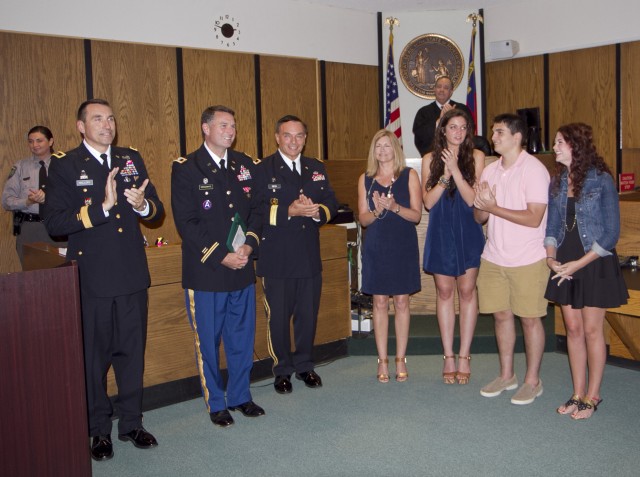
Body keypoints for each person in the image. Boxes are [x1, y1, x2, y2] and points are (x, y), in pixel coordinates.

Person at [43, 99, 164, 461]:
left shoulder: (131, 158)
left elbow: (155, 211)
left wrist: (143, 205)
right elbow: (55, 224)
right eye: (97, 119)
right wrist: (103, 208)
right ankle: (98, 430)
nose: (106, 124)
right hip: (93, 278)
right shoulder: (64, 165)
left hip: (131, 275)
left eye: (110, 118)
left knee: (131, 356)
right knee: (94, 360)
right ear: (81, 126)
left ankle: (131, 423)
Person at [171, 105, 265, 428]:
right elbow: (187, 222)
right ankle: (216, 402)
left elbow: (257, 210)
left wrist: (249, 246)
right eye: (223, 125)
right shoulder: (186, 168)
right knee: (208, 342)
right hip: (207, 272)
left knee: (241, 337)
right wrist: (221, 255)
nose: (230, 130)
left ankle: (240, 396)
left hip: (242, 268)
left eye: (233, 125)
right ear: (205, 128)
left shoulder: (245, 165)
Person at [544, 123, 628, 419]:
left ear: (576, 147)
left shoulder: (602, 180)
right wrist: (551, 259)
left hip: (593, 262)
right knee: (573, 330)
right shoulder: (556, 183)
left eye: (560, 143)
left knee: (592, 330)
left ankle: (593, 396)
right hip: (564, 261)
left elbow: (611, 234)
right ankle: (577, 393)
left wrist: (578, 265)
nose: (555, 147)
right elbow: (552, 227)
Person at [256, 115, 338, 394]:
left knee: (307, 315)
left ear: (305, 138)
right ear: (277, 137)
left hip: (307, 256)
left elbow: (331, 203)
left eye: (299, 135)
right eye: (287, 135)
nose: (294, 141)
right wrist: (287, 211)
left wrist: (318, 212)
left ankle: (304, 365)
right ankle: (282, 370)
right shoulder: (263, 169)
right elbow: (253, 211)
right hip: (276, 258)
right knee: (278, 319)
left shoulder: (316, 168)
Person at [473, 113, 550, 405]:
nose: (493, 137)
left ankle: (533, 380)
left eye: (500, 132)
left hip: (528, 258)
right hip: (493, 256)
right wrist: (482, 207)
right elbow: (480, 216)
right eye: (493, 132)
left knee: (530, 320)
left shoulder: (534, 170)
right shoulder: (490, 171)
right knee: (501, 316)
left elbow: (534, 218)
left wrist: (495, 206)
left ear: (517, 136)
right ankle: (507, 375)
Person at [422, 109, 485, 385]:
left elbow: (472, 200)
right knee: (445, 291)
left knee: (467, 291)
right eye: (453, 127)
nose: (458, 132)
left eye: (463, 127)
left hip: (467, 228)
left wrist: (457, 170)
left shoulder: (478, 157)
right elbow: (428, 202)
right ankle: (448, 355)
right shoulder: (428, 159)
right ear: (443, 131)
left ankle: (464, 355)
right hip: (441, 228)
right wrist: (445, 175)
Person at [358, 130, 422, 383]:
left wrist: (394, 207)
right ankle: (382, 359)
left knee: (403, 302)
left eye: (387, 146)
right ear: (373, 151)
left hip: (402, 245)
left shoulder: (409, 175)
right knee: (380, 302)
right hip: (376, 246)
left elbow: (416, 216)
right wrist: (377, 210)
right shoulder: (366, 178)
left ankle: (400, 358)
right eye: (378, 146)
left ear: (395, 148)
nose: (383, 151)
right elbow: (363, 219)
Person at [2, 126, 66, 266]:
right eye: (31, 141)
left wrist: (50, 197)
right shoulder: (20, 167)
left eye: (39, 141)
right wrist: (27, 201)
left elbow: (74, 196)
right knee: (34, 278)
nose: (34, 145)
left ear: (50, 141)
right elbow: (6, 201)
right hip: (31, 228)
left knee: (64, 274)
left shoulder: (64, 164)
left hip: (59, 226)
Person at [412, 76, 473, 157]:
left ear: (451, 92)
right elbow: (420, 136)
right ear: (434, 89)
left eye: (446, 87)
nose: (441, 90)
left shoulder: (462, 109)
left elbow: (470, 131)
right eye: (439, 87)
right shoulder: (423, 112)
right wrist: (439, 121)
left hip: (459, 157)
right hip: (433, 158)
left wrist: (453, 115)